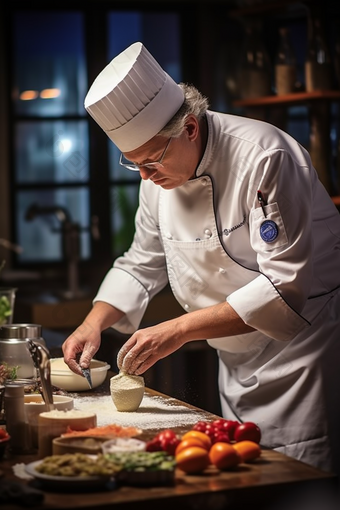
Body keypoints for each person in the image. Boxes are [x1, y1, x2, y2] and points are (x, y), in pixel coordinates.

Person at [62, 41, 340, 475]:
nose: (146, 177)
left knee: (298, 481)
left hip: (304, 360)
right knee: (245, 476)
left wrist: (177, 330)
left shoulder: (264, 156)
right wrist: (92, 323)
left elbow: (284, 289)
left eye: (151, 161)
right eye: (134, 165)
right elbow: (141, 261)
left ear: (190, 128)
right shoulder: (154, 178)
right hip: (235, 361)